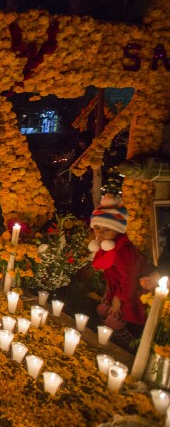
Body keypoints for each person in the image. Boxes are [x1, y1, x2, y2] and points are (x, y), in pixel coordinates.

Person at [90, 195, 154, 339]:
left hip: (132, 293)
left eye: (106, 229)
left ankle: (123, 341)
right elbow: (109, 274)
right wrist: (108, 294)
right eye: (97, 228)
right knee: (103, 309)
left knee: (114, 321)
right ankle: (106, 335)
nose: (100, 233)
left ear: (118, 230)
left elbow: (128, 279)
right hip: (118, 291)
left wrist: (118, 300)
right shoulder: (107, 246)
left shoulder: (124, 250)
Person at [69, 131, 94, 219]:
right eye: (80, 142)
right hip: (77, 179)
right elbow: (70, 162)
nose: (81, 144)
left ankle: (88, 217)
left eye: (83, 142)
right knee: (75, 199)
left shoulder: (93, 152)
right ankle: (74, 217)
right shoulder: (76, 151)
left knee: (90, 199)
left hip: (89, 179)